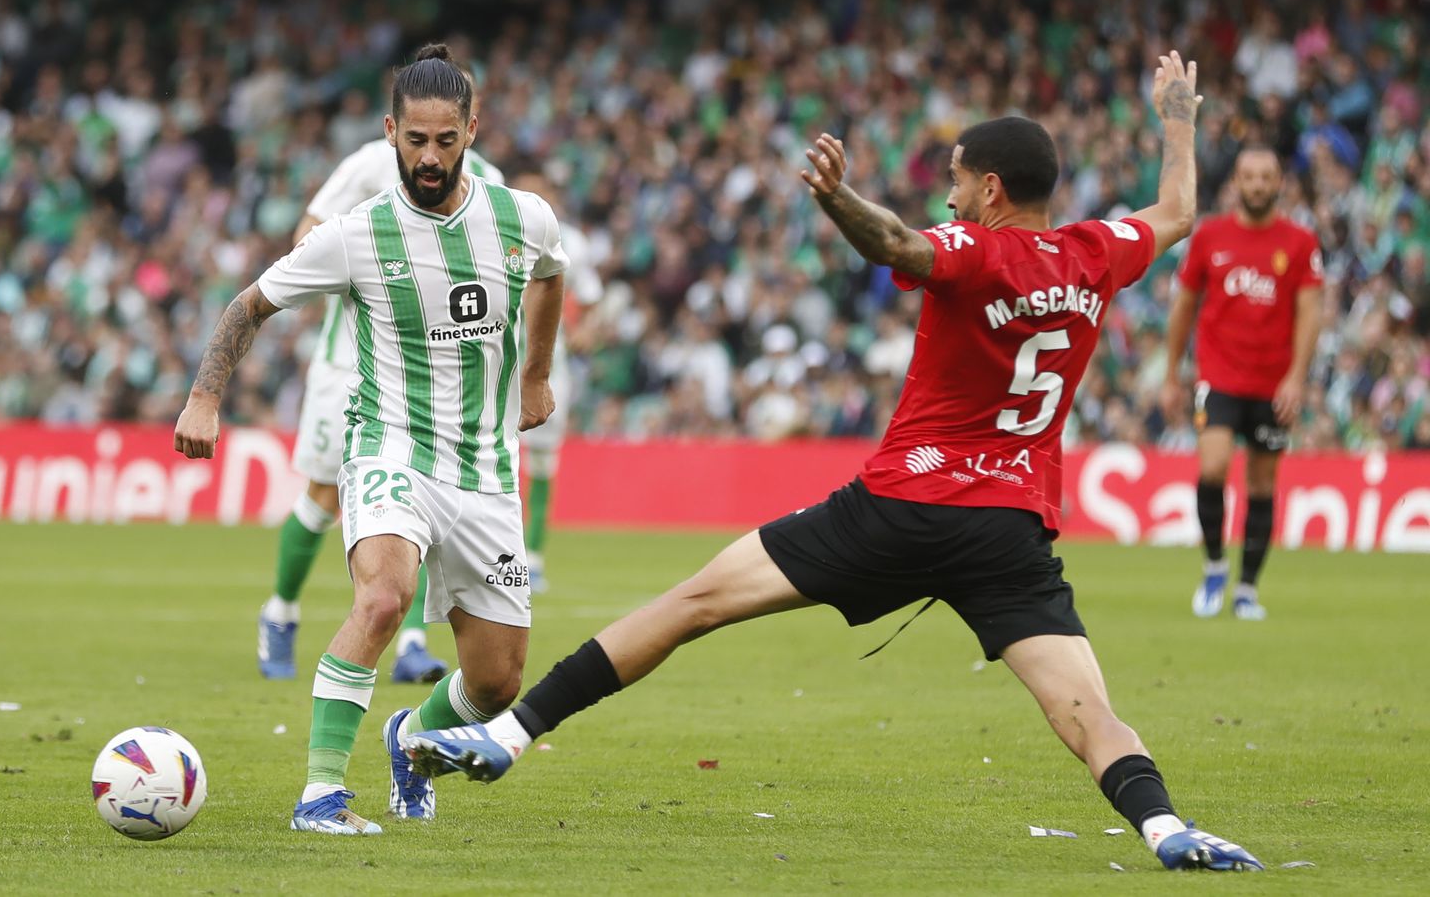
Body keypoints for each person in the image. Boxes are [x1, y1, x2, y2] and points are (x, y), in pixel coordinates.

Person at [407, 53, 1263, 872]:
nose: (952, 193)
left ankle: (508, 735)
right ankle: (1164, 827)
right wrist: (1179, 121)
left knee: (692, 603)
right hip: (1008, 528)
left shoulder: (975, 252)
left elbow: (897, 244)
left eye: (959, 178)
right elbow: (1179, 211)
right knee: (1086, 710)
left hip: (903, 505)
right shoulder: (1097, 252)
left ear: (992, 189)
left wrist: (837, 196)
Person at [174, 44, 568, 834]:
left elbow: (552, 275)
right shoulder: (358, 234)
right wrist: (204, 397)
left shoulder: (521, 216)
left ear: (472, 132)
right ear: (391, 132)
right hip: (389, 448)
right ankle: (321, 793)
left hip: (486, 471)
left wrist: (534, 377)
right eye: (415, 140)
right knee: (384, 598)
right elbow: (249, 305)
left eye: (446, 141)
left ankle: (411, 735)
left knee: (497, 685)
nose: (429, 157)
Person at [258, 67, 507, 684]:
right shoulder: (371, 165)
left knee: (421, 494)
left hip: (433, 378)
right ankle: (281, 612)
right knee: (322, 495)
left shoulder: (490, 186)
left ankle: (412, 644)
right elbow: (306, 235)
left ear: (470, 119)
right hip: (349, 362)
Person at [1161, 147, 1323, 621]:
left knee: (1262, 482)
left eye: (1266, 176)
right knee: (1212, 467)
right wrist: (1171, 373)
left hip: (1273, 384)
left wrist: (1296, 377)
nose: (1257, 185)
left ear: (1279, 183)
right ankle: (1214, 566)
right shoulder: (1210, 237)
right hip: (1220, 377)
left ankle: (1247, 587)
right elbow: (1183, 307)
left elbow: (1311, 313)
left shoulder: (1299, 243)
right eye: (1249, 176)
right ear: (1236, 182)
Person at [507, 170, 604, 594]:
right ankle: (499, 554)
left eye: (541, 190)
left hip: (549, 363)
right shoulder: (494, 228)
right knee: (498, 458)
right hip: (498, 362)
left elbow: (590, 295)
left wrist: (587, 329)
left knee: (543, 462)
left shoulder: (570, 241)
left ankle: (536, 558)